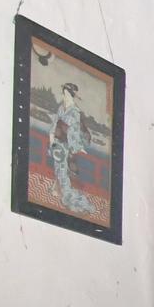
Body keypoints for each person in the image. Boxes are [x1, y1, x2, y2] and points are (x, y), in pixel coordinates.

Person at [48, 81, 94, 217]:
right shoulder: (61, 108)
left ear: (69, 94)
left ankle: (70, 197)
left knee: (62, 169)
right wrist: (51, 137)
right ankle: (57, 188)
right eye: (63, 93)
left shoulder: (74, 112)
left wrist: (77, 147)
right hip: (56, 142)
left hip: (65, 144)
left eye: (65, 93)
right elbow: (55, 122)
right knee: (58, 167)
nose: (64, 96)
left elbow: (73, 132)